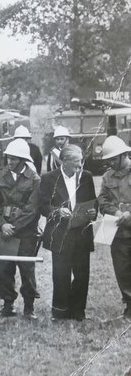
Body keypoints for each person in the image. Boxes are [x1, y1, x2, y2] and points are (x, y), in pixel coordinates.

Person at [38, 144, 97, 321]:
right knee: (60, 273)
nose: (80, 167)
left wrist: (94, 211)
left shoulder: (86, 177)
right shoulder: (49, 179)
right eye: (76, 163)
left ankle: (78, 311)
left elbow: (93, 202)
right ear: (64, 162)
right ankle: (60, 311)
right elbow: (42, 206)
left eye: (81, 162)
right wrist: (57, 212)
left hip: (81, 232)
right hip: (61, 233)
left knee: (82, 274)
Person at [0, 139, 41, 319]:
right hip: (3, 230)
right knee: (4, 269)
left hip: (25, 232)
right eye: (8, 158)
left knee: (27, 269)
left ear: (23, 160)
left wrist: (15, 227)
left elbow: (32, 209)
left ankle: (29, 307)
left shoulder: (35, 180)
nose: (10, 162)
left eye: (14, 159)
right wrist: (1, 224)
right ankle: (8, 304)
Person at [97, 136, 131, 319]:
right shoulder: (107, 176)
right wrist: (116, 213)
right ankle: (129, 307)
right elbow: (102, 200)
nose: (110, 162)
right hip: (117, 231)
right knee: (122, 269)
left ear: (123, 155)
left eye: (112, 159)